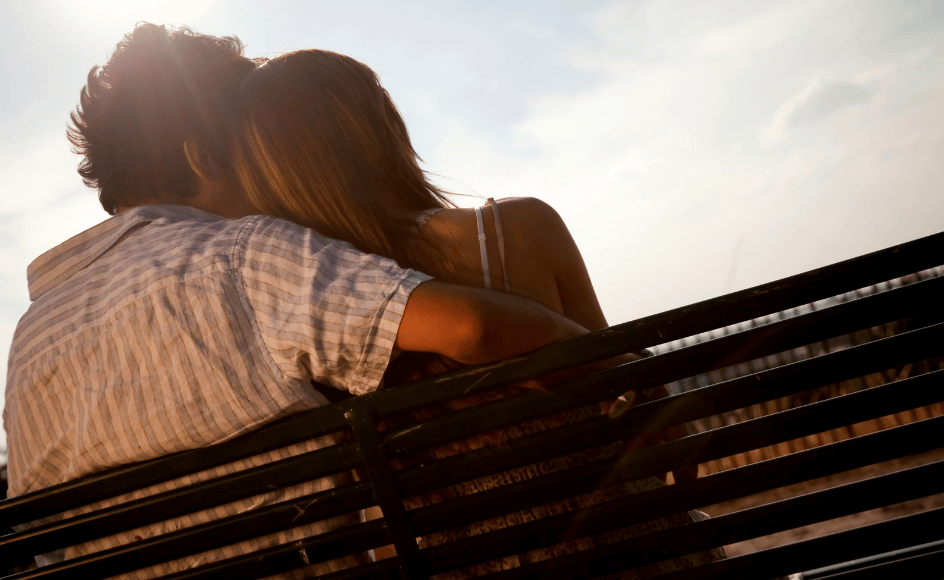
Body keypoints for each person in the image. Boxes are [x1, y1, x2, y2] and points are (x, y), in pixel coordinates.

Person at [2, 24, 594, 579]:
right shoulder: (242, 255)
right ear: (204, 156)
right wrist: (602, 367)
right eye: (250, 145)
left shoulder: (32, 336)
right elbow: (469, 328)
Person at [225, 49, 724, 578]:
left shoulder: (311, 305)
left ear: (271, 175)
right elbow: (627, 390)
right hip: (640, 551)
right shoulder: (522, 231)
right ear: (381, 126)